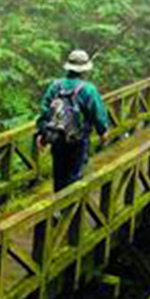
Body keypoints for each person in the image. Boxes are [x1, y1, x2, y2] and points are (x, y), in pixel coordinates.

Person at [36, 49, 110, 192]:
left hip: (56, 137)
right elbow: (98, 114)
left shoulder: (55, 86)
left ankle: (57, 208)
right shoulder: (88, 89)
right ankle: (70, 211)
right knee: (74, 175)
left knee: (59, 174)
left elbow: (45, 111)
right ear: (84, 70)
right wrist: (103, 132)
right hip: (78, 139)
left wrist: (41, 133)